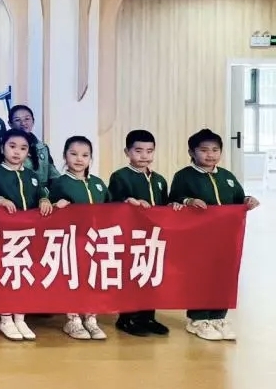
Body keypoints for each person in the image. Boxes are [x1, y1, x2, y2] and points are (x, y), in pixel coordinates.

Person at [169, 128, 260, 341]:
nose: (210, 155)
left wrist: (248, 200)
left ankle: (218, 317)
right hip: (198, 239)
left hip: (226, 237)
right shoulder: (184, 176)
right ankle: (198, 319)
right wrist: (189, 201)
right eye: (204, 150)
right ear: (191, 152)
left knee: (224, 275)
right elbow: (173, 199)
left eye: (215, 150)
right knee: (201, 276)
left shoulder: (227, 177)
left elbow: (238, 198)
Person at [0, 128, 54, 341]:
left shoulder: (31, 176)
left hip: (28, 237)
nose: (17, 152)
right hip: (3, 237)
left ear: (28, 152)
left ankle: (20, 317)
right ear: (2, 148)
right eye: (12, 146)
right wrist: (0, 200)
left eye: (23, 148)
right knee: (6, 276)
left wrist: (44, 200)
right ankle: (5, 318)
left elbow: (41, 193)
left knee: (24, 275)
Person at [107, 129, 176, 337]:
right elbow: (112, 204)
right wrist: (128, 202)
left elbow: (163, 205)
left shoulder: (159, 179)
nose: (144, 156)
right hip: (131, 236)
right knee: (132, 276)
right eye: (138, 151)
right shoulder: (120, 176)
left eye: (149, 151)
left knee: (151, 275)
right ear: (127, 152)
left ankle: (148, 317)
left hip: (154, 236)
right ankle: (126, 318)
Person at [49, 135, 109, 341]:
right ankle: (73, 319)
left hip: (97, 241)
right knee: (73, 279)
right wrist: (57, 206)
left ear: (91, 158)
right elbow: (48, 212)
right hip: (72, 241)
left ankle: (91, 318)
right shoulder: (60, 183)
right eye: (73, 154)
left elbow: (112, 209)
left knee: (93, 280)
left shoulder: (98, 183)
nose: (79, 159)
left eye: (85, 155)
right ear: (65, 155)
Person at [9, 104, 59, 189]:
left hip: (42, 194)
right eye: (17, 120)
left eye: (27, 119)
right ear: (10, 124)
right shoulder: (6, 148)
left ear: (33, 121)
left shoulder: (42, 147)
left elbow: (53, 173)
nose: (23, 123)